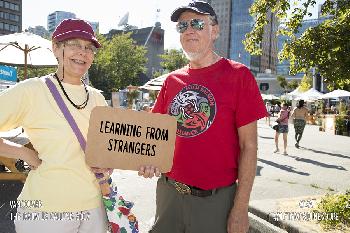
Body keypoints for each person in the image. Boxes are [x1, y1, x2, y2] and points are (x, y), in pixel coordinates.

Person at [139, 1, 267, 233]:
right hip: (169, 195)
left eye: (197, 23)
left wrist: (241, 208)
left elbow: (249, 146)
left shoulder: (239, 76)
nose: (189, 29)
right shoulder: (171, 81)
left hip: (215, 201)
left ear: (214, 31)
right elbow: (155, 138)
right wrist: (148, 160)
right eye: (182, 26)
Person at [0, 19, 109, 233]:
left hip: (95, 209)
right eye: (74, 44)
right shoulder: (32, 90)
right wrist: (22, 152)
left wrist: (108, 165)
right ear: (56, 48)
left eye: (89, 47)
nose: (83, 52)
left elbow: (106, 150)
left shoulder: (97, 98)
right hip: (45, 212)